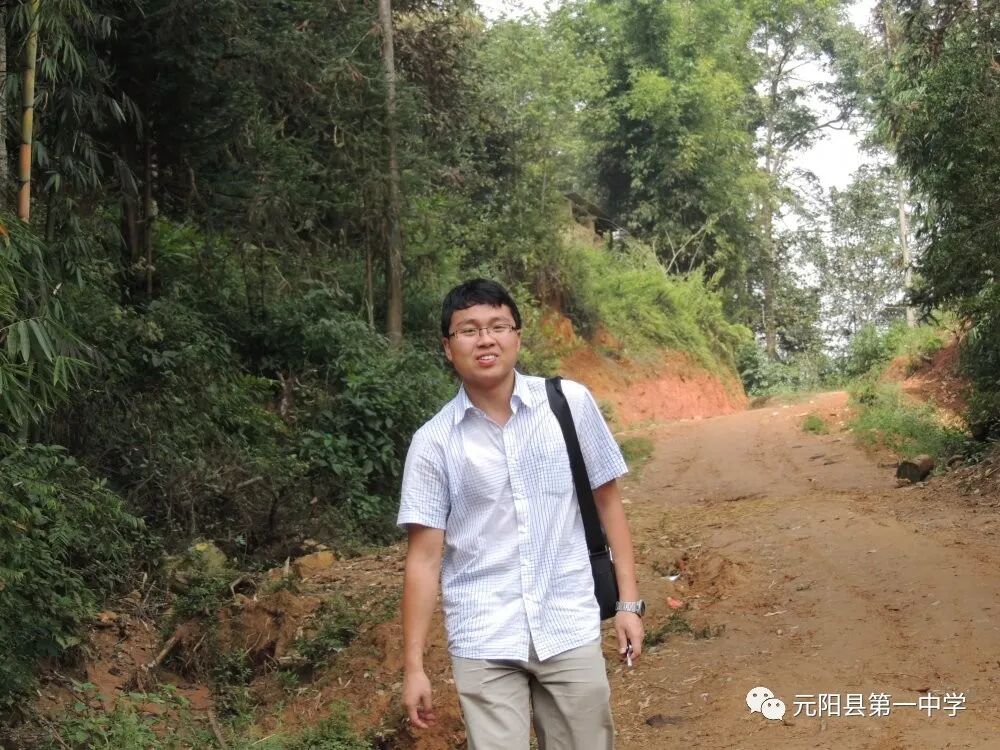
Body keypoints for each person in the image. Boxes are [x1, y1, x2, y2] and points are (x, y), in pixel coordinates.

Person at [397, 278, 644, 750]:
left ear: (517, 336)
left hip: (567, 621)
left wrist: (627, 605)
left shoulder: (568, 404)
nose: (485, 340)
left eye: (498, 326)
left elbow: (608, 503)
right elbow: (423, 561)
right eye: (468, 330)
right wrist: (414, 668)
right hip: (484, 636)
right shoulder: (433, 443)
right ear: (448, 348)